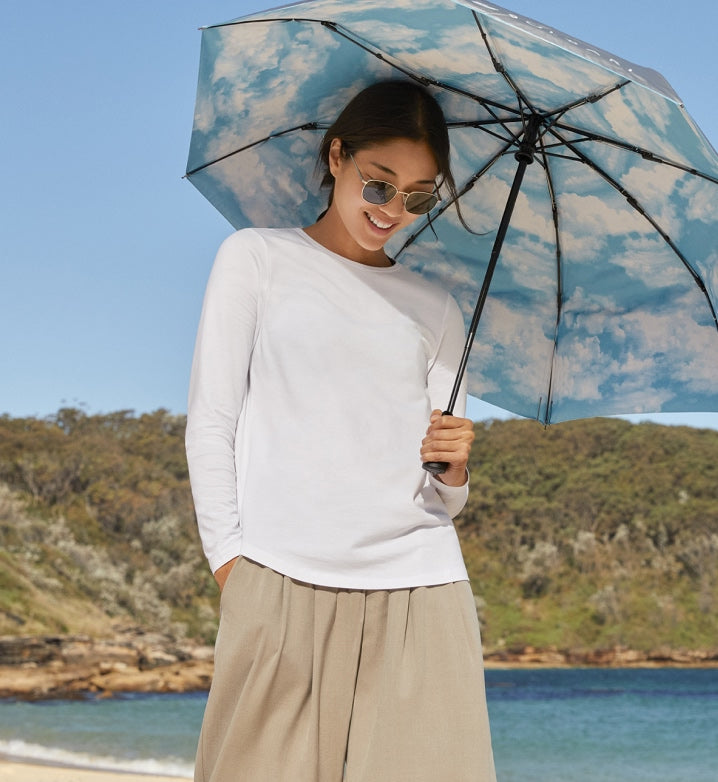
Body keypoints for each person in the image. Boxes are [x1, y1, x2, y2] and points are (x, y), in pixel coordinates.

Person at [186, 80, 496, 782]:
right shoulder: (256, 259)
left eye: (419, 197)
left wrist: (454, 471)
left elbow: (444, 499)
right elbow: (212, 422)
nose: (394, 212)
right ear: (337, 156)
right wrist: (235, 566)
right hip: (278, 582)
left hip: (422, 593)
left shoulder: (438, 308)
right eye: (379, 184)